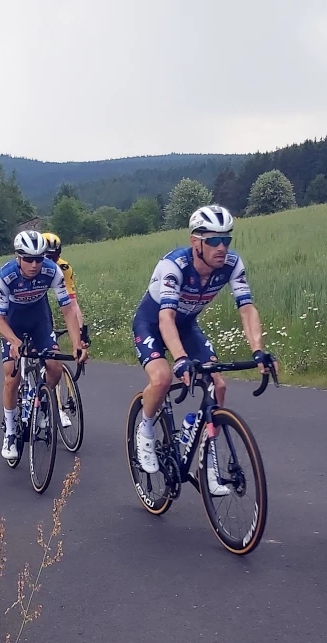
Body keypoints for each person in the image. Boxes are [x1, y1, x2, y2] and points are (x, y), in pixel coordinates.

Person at [131, 205, 273, 496]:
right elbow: (165, 317)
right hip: (152, 323)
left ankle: (205, 458)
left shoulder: (232, 264)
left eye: (226, 240)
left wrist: (258, 350)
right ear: (195, 241)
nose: (221, 247)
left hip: (186, 326)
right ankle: (144, 429)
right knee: (162, 378)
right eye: (213, 240)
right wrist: (181, 359)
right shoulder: (174, 266)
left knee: (218, 385)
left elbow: (246, 308)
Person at [0, 230, 88, 460]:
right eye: (29, 259)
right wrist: (14, 342)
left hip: (39, 319)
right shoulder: (6, 276)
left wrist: (77, 343)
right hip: (13, 321)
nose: (35, 264)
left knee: (55, 366)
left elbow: (67, 309)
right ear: (18, 257)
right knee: (11, 376)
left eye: (39, 258)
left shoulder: (52, 270)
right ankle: (11, 431)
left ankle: (42, 401)